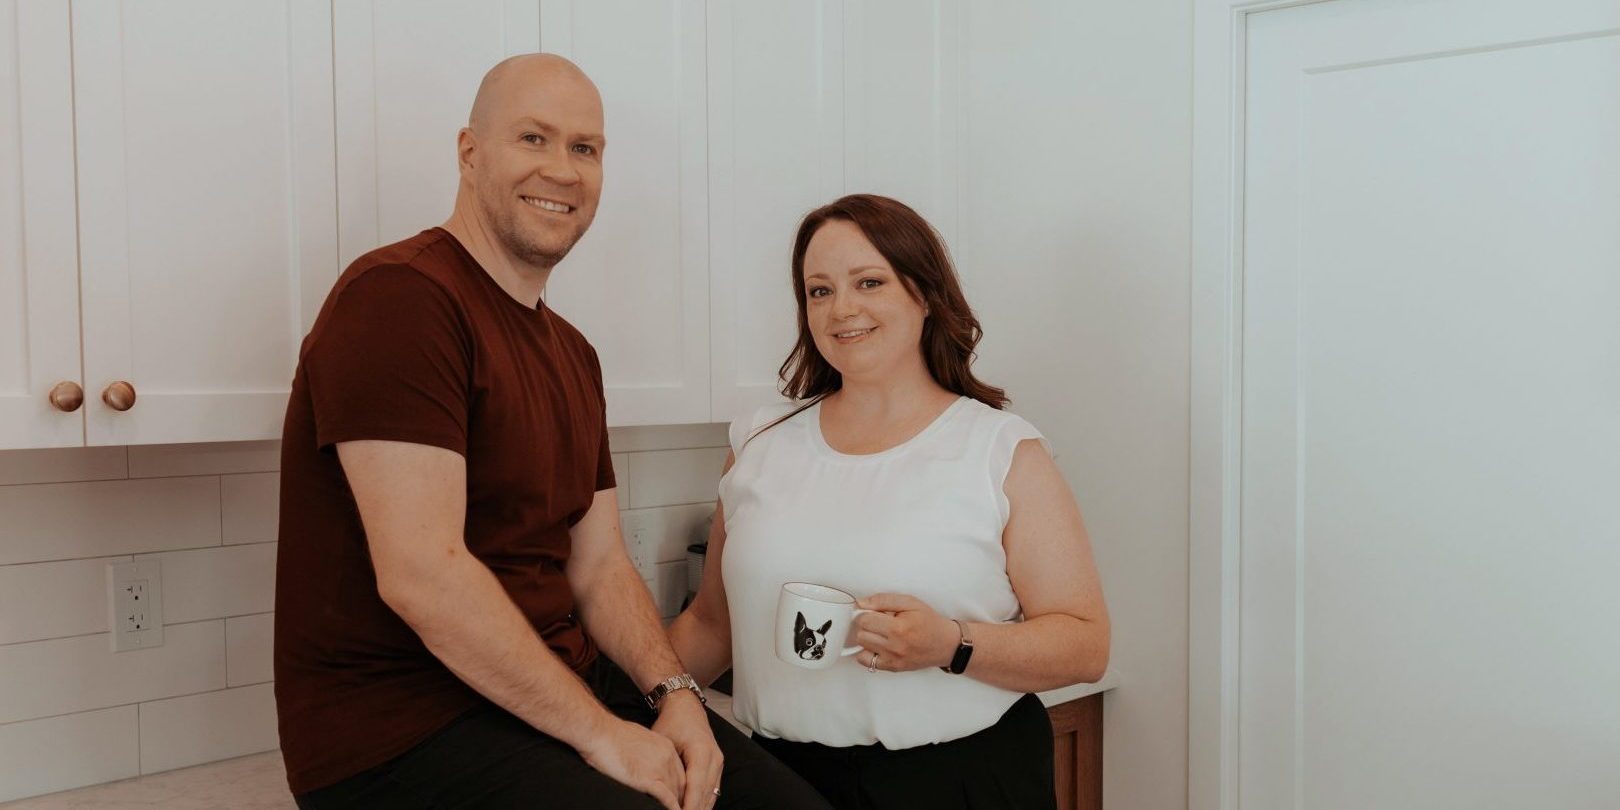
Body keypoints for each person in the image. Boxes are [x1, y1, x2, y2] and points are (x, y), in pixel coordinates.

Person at [274, 54, 829, 810]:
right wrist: (601, 735)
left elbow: (598, 567)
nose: (563, 171)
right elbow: (423, 574)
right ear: (470, 153)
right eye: (533, 139)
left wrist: (675, 695)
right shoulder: (400, 300)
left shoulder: (572, 353)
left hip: (551, 698)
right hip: (400, 736)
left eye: (584, 148)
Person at [668, 194, 1110, 810]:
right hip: (784, 779)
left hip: (963, 780)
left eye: (868, 282)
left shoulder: (1001, 451)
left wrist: (952, 645)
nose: (841, 309)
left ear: (924, 295)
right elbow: (712, 625)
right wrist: (619, 703)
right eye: (818, 291)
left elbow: (1085, 644)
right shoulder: (758, 445)